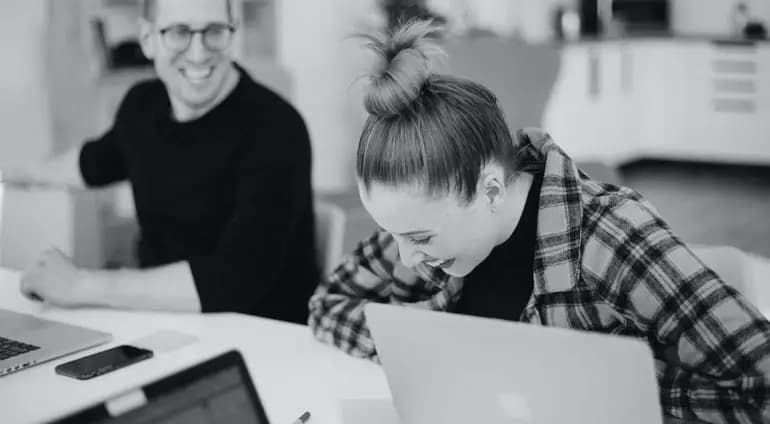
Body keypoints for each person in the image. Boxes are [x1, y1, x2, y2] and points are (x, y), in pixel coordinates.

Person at [308, 20, 770, 422]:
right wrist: (432, 350)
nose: (406, 255)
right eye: (394, 235)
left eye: (418, 237)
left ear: (489, 189)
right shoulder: (424, 221)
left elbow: (760, 385)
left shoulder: (611, 237)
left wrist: (612, 385)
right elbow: (327, 305)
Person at [3, 0, 318, 324]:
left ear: (231, 32)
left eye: (214, 31)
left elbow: (235, 278)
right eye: (179, 32)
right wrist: (17, 173)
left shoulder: (277, 127)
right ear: (147, 39)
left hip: (264, 339)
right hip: (162, 322)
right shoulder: (142, 105)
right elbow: (94, 162)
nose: (198, 53)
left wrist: (80, 284)